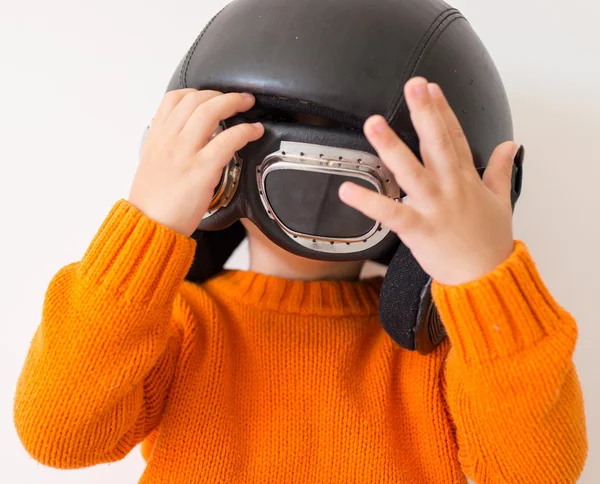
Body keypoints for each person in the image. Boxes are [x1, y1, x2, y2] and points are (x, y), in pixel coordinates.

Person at [14, 77, 587, 483]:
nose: (314, 205)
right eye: (285, 172)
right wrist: (148, 227)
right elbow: (59, 434)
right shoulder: (182, 324)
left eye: (349, 178)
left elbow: (536, 472)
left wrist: (484, 278)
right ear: (222, 177)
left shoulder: (441, 354)